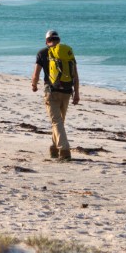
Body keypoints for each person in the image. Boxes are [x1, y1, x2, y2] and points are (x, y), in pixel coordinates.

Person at [28, 29, 80, 159]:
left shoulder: (42, 53)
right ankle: (54, 148)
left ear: (47, 41)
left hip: (51, 91)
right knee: (59, 121)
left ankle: (65, 150)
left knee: (57, 121)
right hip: (67, 91)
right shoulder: (67, 52)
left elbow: (36, 74)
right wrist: (77, 93)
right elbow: (75, 75)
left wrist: (34, 85)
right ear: (59, 40)